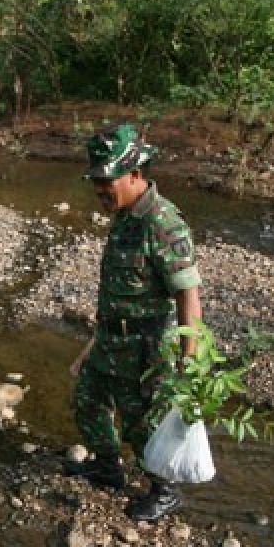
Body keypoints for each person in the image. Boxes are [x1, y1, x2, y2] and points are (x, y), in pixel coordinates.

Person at [67, 123, 204, 522]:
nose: (99, 189)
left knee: (141, 423)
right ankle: (107, 468)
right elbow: (118, 291)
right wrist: (91, 344)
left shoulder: (162, 223)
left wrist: (188, 361)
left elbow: (187, 294)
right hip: (110, 339)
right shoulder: (125, 216)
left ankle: (164, 490)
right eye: (96, 180)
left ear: (135, 175)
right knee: (87, 401)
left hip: (144, 350)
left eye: (106, 181)